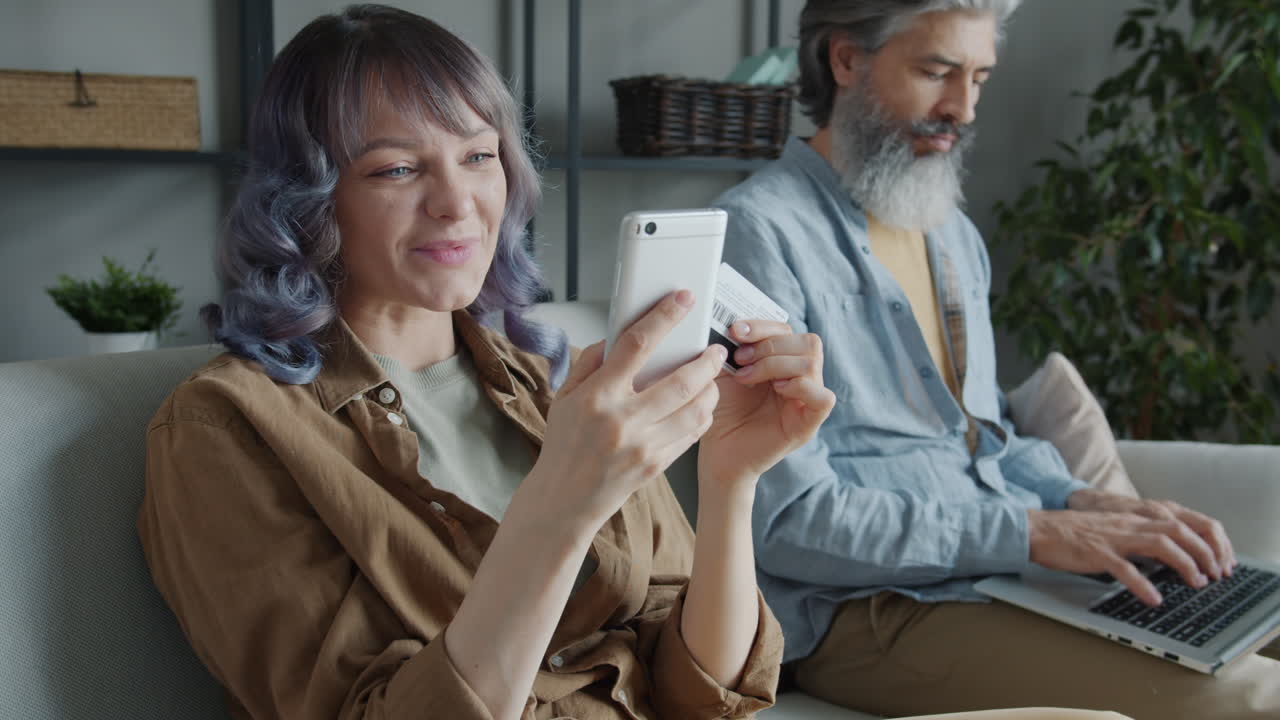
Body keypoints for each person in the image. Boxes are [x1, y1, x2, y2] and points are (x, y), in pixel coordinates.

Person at [137, 6, 840, 719]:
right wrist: (562, 506)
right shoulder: (226, 428)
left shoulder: (551, 385)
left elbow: (705, 698)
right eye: (398, 168)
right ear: (307, 199)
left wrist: (728, 482)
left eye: (479, 156)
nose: (457, 204)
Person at [713, 1, 1280, 718]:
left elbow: (983, 442)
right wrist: (1034, 533)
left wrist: (1087, 502)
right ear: (846, 60)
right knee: (1259, 700)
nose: (964, 108)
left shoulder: (949, 233)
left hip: (1000, 573)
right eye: (936, 72)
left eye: (979, 77)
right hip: (870, 615)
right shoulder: (758, 234)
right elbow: (789, 522)